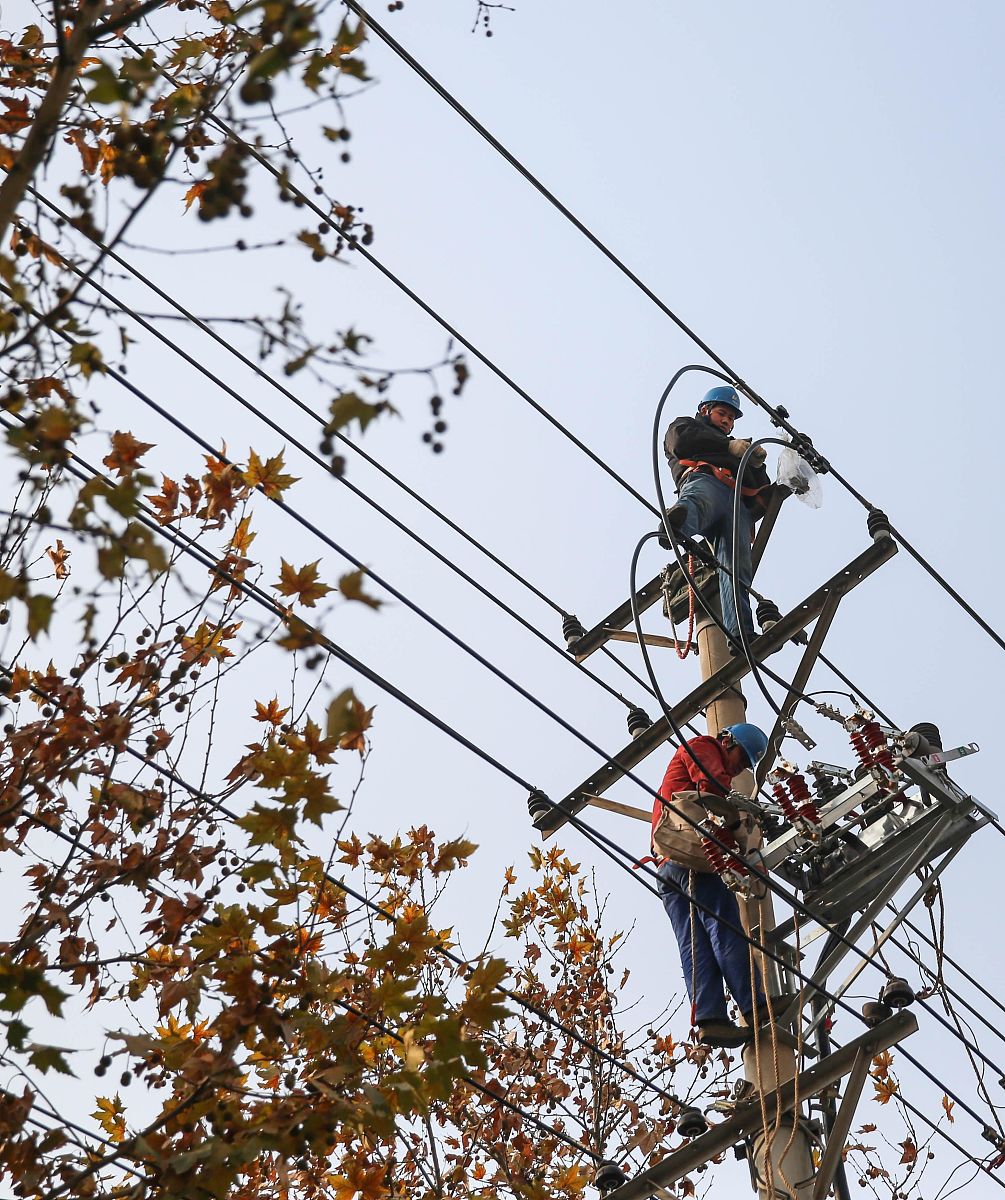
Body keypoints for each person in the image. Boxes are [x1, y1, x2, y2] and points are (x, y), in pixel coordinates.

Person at [652, 722, 769, 1048]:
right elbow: (711, 788)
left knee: (695, 944)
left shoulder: (709, 779)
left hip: (669, 867)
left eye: (746, 765)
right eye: (741, 759)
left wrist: (740, 867)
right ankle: (756, 1005)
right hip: (691, 858)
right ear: (727, 740)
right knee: (725, 928)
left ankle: (710, 1019)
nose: (738, 768)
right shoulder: (704, 746)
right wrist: (739, 821)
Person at [661, 385, 772, 648]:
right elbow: (679, 442)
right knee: (696, 503)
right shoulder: (686, 426)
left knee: (736, 570)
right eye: (723, 413)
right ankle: (675, 527)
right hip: (706, 480)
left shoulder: (739, 447)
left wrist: (757, 463)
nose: (727, 421)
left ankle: (740, 635)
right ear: (705, 410)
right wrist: (728, 446)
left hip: (736, 506)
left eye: (731, 419)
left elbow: (761, 489)